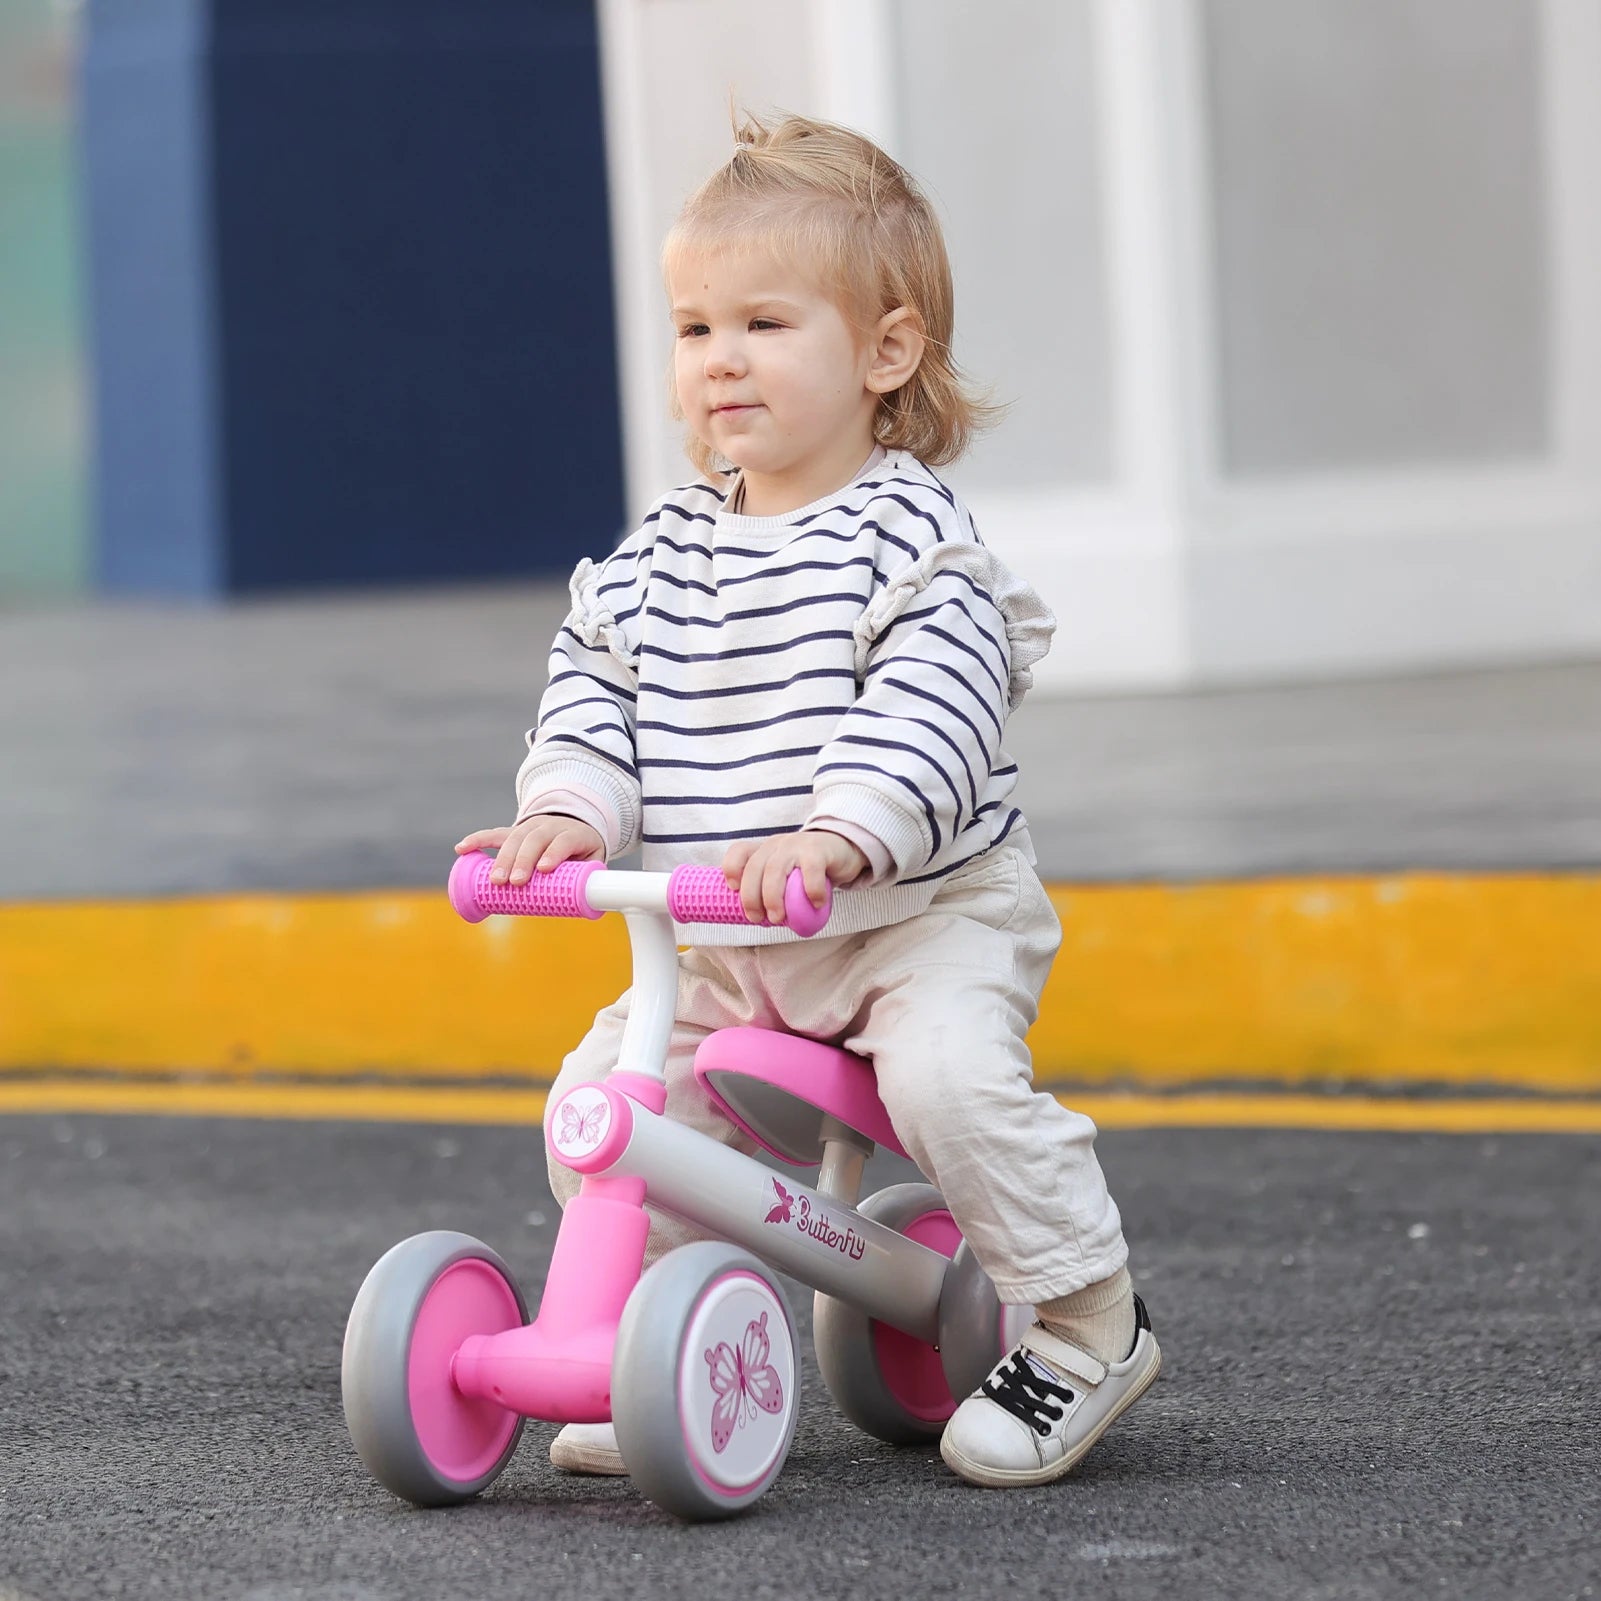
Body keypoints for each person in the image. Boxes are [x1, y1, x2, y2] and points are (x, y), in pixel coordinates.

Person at [456, 112, 1159, 1490]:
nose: (717, 358)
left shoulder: (915, 541)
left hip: (912, 918)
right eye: (692, 326)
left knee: (952, 1080)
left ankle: (1084, 1317)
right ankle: (653, 1348)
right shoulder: (659, 551)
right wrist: (571, 815)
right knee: (606, 1103)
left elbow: (933, 710)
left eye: (763, 322)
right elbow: (597, 690)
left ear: (883, 352)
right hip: (726, 938)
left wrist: (841, 832)